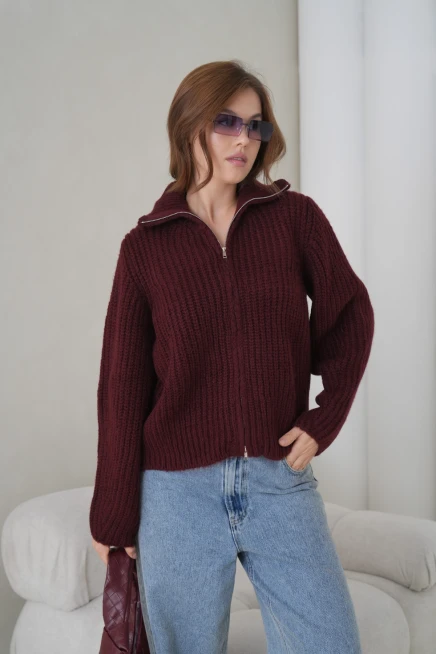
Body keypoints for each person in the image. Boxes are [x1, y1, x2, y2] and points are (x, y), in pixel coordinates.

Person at [90, 59, 374, 653]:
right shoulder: (144, 249)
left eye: (255, 125)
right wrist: (114, 515)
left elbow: (349, 314)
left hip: (279, 479)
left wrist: (324, 418)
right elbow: (121, 387)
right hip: (175, 496)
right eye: (227, 122)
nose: (244, 139)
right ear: (189, 125)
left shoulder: (294, 219)